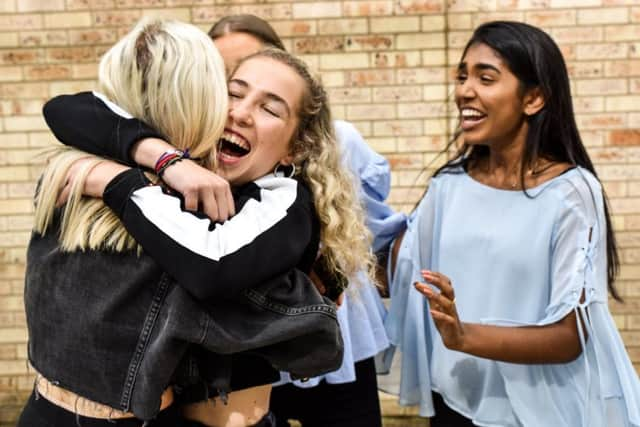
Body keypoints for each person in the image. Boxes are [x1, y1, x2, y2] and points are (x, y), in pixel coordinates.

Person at [43, 14, 406, 427]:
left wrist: (114, 181)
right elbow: (65, 109)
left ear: (294, 148)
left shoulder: (286, 202)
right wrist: (164, 159)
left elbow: (213, 267)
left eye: (270, 107)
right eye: (232, 94)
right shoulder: (192, 173)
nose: (241, 114)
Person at [384, 21, 640, 427]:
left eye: (486, 78)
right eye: (462, 76)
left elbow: (568, 337)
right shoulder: (447, 187)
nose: (465, 90)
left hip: (544, 415)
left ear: (534, 98)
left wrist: (464, 335)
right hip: (457, 404)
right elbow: (402, 272)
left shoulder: (571, 193)